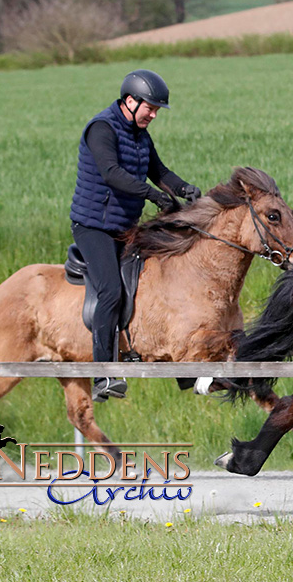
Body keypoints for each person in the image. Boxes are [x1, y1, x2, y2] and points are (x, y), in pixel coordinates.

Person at [69, 69, 201, 402]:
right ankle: (103, 375)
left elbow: (159, 171)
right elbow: (112, 173)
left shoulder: (140, 134)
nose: (153, 115)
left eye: (157, 110)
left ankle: (181, 368)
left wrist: (185, 189)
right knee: (111, 291)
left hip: (125, 227)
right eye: (151, 108)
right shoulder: (101, 129)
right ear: (130, 101)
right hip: (94, 228)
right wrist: (152, 195)